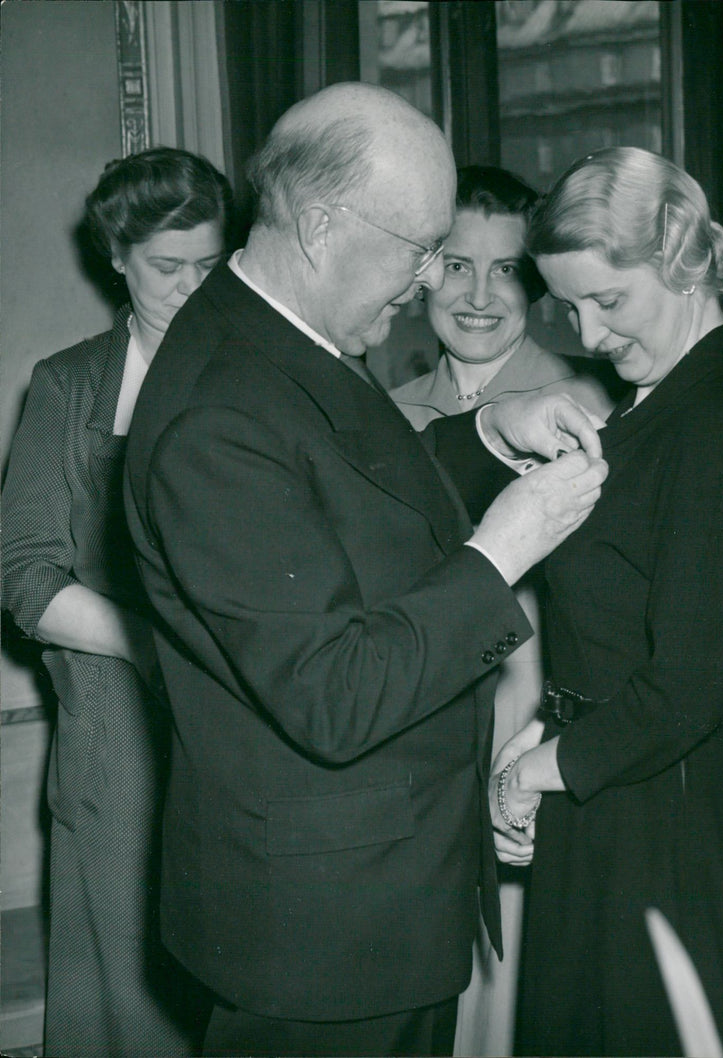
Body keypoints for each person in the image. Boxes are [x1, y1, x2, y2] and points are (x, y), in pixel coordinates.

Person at [123, 82, 608, 1058]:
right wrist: (503, 547)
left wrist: (488, 430)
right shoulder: (216, 413)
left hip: (373, 905)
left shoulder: (272, 331)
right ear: (319, 225)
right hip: (321, 940)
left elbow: (344, 492)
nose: (430, 282)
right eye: (420, 249)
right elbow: (332, 693)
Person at [486, 146, 723, 1057]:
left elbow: (691, 683)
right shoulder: (666, 402)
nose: (589, 334)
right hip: (627, 799)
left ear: (682, 260)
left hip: (672, 827)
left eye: (608, 301)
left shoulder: (718, 422)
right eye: (569, 307)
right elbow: (622, 632)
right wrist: (544, 734)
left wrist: (533, 773)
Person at [2, 147, 231, 1058]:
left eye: (209, 265)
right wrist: (153, 642)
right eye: (166, 267)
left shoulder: (253, 375)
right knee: (132, 1013)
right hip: (118, 751)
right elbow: (26, 579)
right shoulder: (70, 387)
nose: (190, 289)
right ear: (116, 258)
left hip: (241, 751)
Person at [391, 164, 613, 1057]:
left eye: (507, 270)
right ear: (421, 273)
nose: (478, 295)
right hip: (422, 764)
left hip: (539, 750)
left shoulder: (589, 407)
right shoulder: (385, 416)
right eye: (456, 264)